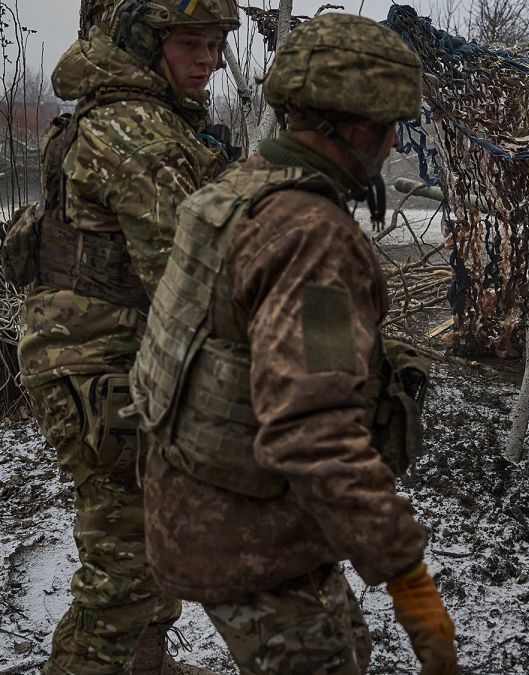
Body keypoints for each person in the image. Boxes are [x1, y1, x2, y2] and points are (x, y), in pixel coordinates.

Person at [125, 12, 457, 675]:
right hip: (250, 537)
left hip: (196, 505)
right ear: (355, 128)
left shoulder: (239, 188)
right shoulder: (311, 238)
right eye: (392, 128)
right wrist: (408, 576)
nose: (394, 145)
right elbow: (313, 430)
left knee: (346, 648)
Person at [13, 1, 239, 673]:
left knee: (156, 537)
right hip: (94, 371)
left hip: (121, 360)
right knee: (125, 568)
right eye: (192, 43)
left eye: (216, 44)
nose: (209, 60)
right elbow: (189, 280)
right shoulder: (133, 132)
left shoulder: (148, 118)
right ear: (144, 42)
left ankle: (143, 664)